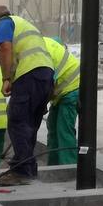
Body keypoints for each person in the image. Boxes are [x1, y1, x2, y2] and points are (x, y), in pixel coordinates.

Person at [0, 5, 54, 183]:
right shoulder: (25, 24)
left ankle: (22, 171)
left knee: (17, 121)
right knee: (29, 123)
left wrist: (6, 78)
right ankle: (26, 167)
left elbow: (5, 48)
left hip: (29, 74)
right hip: (46, 75)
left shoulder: (3, 22)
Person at [42, 37, 80, 166]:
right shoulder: (42, 44)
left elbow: (46, 83)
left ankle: (69, 167)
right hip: (62, 92)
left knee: (64, 130)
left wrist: (39, 104)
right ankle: (53, 166)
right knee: (52, 127)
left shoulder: (42, 51)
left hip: (72, 88)